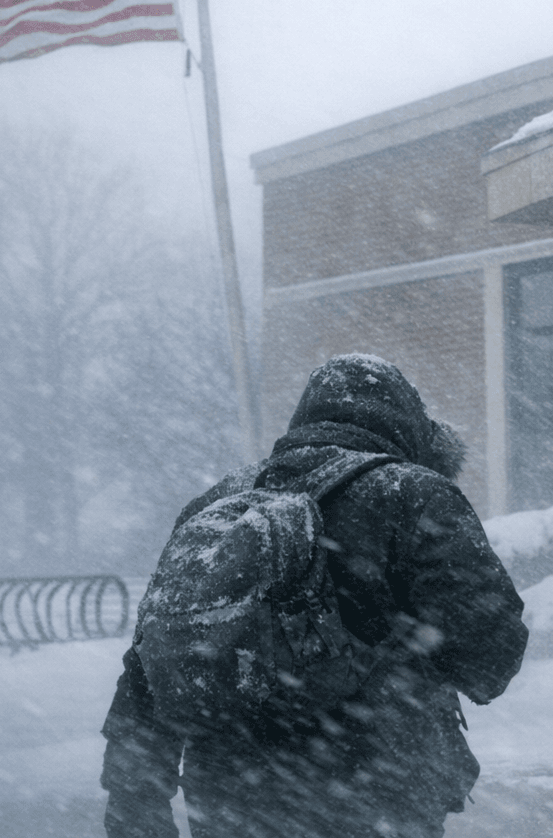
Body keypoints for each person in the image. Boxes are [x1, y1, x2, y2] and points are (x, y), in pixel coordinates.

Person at [100, 354, 528, 838]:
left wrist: (134, 802)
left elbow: (151, 666)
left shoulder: (218, 506)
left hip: (230, 800)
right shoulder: (412, 494)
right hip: (375, 798)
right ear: (409, 425)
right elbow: (490, 657)